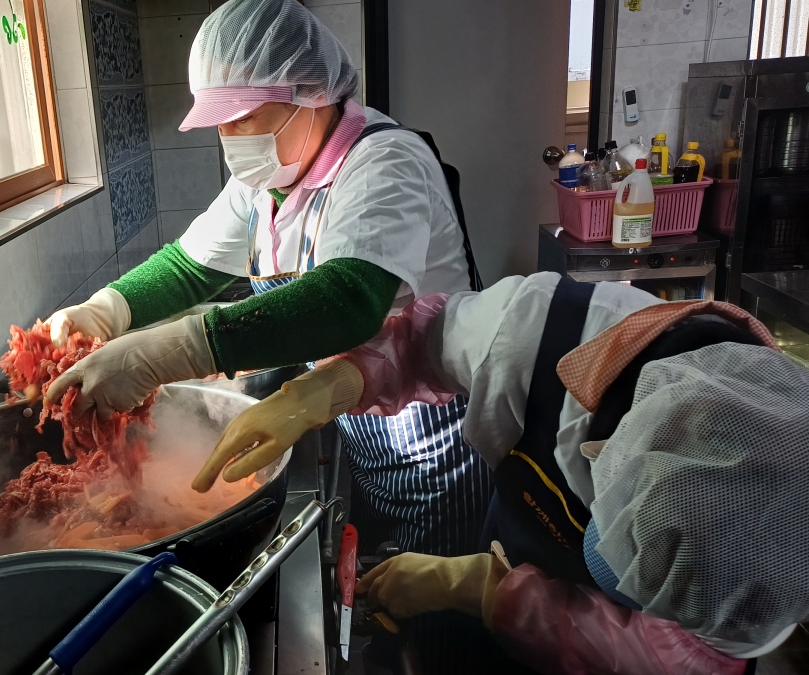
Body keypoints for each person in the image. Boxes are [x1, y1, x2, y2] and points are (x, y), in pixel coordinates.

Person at [44, 0, 492, 559]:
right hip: (362, 425)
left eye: (243, 116)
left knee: (438, 594)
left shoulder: (384, 162)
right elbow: (190, 267)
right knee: (383, 583)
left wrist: (161, 355)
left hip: (436, 442)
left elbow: (347, 301)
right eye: (220, 121)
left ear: (311, 93)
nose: (228, 136)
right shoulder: (265, 182)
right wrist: (106, 310)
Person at [195, 271, 809, 674]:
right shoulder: (540, 332)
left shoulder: (777, 566)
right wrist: (323, 388)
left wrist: (478, 589)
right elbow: (416, 342)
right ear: (600, 450)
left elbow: (664, 658)